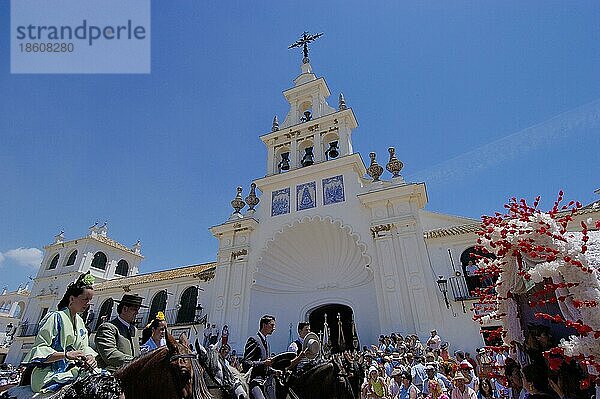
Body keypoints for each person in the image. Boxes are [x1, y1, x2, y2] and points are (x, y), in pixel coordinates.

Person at [22, 272, 98, 393]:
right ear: (72, 298)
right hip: (49, 374)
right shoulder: (55, 318)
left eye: (90, 300)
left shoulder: (80, 322)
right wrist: (66, 355)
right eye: (85, 299)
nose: (88, 303)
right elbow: (40, 348)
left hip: (73, 371)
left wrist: (89, 357)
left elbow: (84, 347)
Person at [95, 294, 146, 372]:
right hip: (111, 376)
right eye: (134, 309)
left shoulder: (134, 330)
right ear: (125, 309)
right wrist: (136, 362)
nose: (137, 313)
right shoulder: (108, 328)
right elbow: (110, 354)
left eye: (138, 309)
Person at [242, 314, 277, 399]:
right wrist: (263, 363)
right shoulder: (253, 340)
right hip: (255, 381)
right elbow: (246, 363)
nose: (274, 328)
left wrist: (274, 371)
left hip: (266, 382)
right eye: (272, 325)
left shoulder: (267, 343)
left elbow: (265, 367)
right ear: (264, 325)